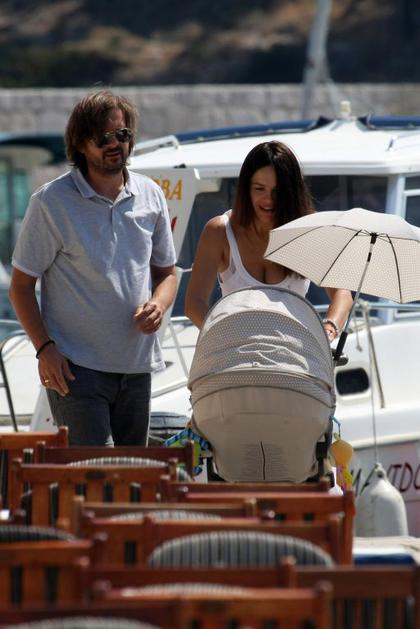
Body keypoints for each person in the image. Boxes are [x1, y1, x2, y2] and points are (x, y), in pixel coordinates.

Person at [9, 89, 177, 446]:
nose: (115, 144)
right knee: (94, 472)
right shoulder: (51, 202)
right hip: (75, 369)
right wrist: (44, 349)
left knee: (134, 473)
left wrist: (159, 304)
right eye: (103, 138)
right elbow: (21, 286)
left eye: (122, 134)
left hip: (136, 367)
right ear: (81, 144)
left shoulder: (151, 195)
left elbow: (167, 274)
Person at [185, 140, 353, 338]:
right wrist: (225, 338)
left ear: (292, 191)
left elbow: (343, 294)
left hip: (296, 350)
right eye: (259, 189)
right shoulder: (219, 231)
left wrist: (329, 328)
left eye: (278, 191)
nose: (268, 199)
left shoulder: (310, 228)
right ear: (246, 189)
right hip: (235, 350)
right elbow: (194, 303)